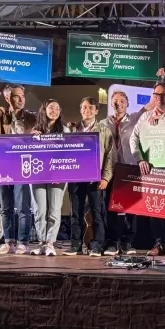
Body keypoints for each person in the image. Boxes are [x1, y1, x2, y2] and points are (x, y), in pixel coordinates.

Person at [0, 76, 36, 255]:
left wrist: (38, 133)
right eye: (17, 96)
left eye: (22, 96)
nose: (21, 99)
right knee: (6, 206)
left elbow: (45, 132)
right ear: (8, 98)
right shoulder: (1, 114)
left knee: (23, 206)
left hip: (23, 164)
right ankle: (8, 242)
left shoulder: (32, 117)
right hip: (3, 163)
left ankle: (23, 242)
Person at [129, 81, 165, 257]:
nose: (159, 97)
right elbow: (133, 139)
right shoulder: (145, 117)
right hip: (152, 168)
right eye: (156, 94)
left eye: (163, 94)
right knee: (155, 207)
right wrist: (140, 159)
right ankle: (159, 243)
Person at [100, 85, 153, 256]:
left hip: (130, 169)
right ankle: (112, 242)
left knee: (131, 209)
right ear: (111, 103)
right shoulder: (103, 124)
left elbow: (151, 104)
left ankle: (127, 242)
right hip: (111, 171)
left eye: (122, 101)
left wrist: (160, 80)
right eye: (115, 101)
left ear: (127, 104)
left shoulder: (136, 118)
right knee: (112, 208)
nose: (119, 104)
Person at [65, 97, 115, 257]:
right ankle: (75, 245)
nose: (87, 110)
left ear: (96, 111)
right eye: (84, 107)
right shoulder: (72, 130)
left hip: (95, 178)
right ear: (80, 110)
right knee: (76, 212)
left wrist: (106, 178)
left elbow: (110, 156)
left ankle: (97, 246)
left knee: (97, 212)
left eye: (91, 108)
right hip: (75, 178)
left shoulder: (104, 131)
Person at [29, 99, 70, 256]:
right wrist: (31, 139)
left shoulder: (65, 130)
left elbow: (69, 153)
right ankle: (41, 242)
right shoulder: (35, 129)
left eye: (57, 108)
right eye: (51, 108)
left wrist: (60, 171)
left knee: (54, 209)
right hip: (37, 174)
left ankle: (50, 243)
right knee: (39, 210)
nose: (54, 111)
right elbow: (27, 151)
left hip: (57, 175)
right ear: (44, 110)